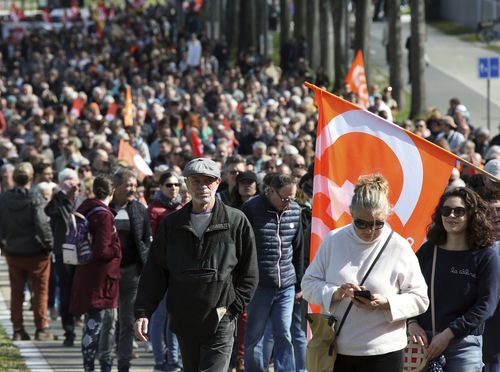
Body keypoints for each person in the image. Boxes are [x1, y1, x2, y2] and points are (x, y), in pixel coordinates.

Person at [134, 158, 258, 372]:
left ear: (218, 182)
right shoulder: (172, 224)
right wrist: (143, 312)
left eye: (208, 181)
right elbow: (155, 271)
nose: (202, 186)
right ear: (187, 184)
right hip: (184, 318)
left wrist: (232, 308)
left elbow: (250, 272)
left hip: (220, 317)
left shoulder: (235, 221)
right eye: (196, 180)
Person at [302, 174, 429, 371]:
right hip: (338, 350)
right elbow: (309, 284)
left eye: (378, 223)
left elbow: (420, 298)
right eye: (361, 223)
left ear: (387, 216)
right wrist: (335, 292)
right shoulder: (334, 240)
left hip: (385, 352)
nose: (370, 230)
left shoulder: (399, 246)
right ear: (351, 214)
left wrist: (386, 303)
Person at [408, 187, 500, 372]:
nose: (451, 215)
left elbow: (486, 306)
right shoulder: (428, 251)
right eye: (446, 210)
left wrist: (449, 334)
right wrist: (411, 322)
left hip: (464, 346)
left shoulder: (486, 256)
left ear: (472, 215)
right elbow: (406, 287)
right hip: (423, 344)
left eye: (459, 211)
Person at [242, 173, 304, 372]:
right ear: (270, 191)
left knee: (284, 333)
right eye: (285, 198)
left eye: (292, 198)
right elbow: (241, 249)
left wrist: (299, 284)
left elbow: (298, 249)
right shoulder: (251, 209)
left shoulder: (295, 210)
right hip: (259, 286)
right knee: (255, 337)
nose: (289, 203)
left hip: (286, 284)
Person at [69, 175, 121, 372]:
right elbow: (102, 250)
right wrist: (117, 248)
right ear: (112, 191)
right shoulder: (104, 215)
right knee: (100, 325)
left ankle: (88, 365)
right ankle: (98, 367)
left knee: (92, 323)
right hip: (103, 278)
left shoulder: (85, 208)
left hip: (85, 272)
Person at [0, 162, 54, 341]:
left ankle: (17, 328)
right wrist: (48, 245)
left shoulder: (4, 198)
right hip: (36, 251)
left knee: (17, 292)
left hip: (13, 250)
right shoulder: (34, 197)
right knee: (40, 290)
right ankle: (41, 328)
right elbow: (41, 224)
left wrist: (3, 245)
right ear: (31, 178)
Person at [111, 168, 152, 372]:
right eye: (128, 185)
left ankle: (123, 365)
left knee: (127, 320)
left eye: (135, 185)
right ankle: (105, 362)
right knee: (110, 320)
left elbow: (146, 237)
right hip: (108, 273)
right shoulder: (106, 207)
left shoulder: (139, 209)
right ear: (115, 187)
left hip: (132, 272)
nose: (132, 189)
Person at [147, 171, 183, 371]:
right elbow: (150, 241)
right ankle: (159, 360)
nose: (174, 188)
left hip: (179, 271)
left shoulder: (182, 207)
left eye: (177, 184)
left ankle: (173, 359)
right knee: (159, 316)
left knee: (175, 317)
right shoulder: (154, 209)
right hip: (161, 270)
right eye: (169, 185)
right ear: (161, 187)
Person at [44, 168, 80, 346]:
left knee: (80, 289)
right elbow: (49, 211)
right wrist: (62, 194)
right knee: (65, 290)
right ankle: (69, 332)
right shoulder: (58, 200)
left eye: (74, 180)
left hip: (81, 252)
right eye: (68, 180)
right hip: (63, 252)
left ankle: (84, 323)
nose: (73, 184)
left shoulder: (81, 201)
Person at [477, 187, 500, 372]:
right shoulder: (474, 247)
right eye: (489, 211)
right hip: (482, 335)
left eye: (499, 210)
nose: (495, 215)